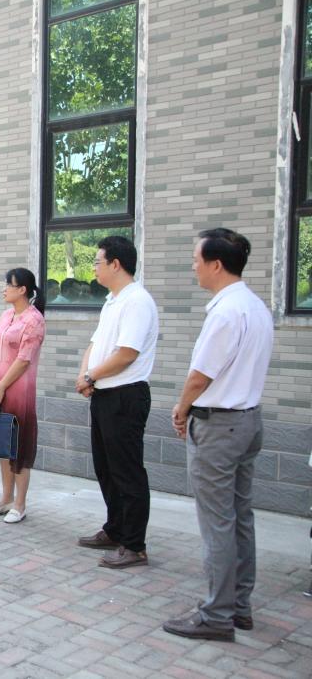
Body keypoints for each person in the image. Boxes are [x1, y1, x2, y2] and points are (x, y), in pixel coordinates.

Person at [162, 229, 274, 642]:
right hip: (247, 421)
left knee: (218, 522)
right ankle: (238, 605)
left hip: (220, 426)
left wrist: (182, 407)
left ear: (216, 264)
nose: (193, 266)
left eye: (196, 260)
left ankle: (217, 614)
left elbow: (200, 375)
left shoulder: (226, 312)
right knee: (240, 516)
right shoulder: (255, 306)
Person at [74, 236, 159, 569]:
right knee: (106, 468)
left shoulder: (137, 301)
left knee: (127, 472)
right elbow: (95, 344)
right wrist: (86, 375)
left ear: (115, 264)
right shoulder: (112, 300)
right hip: (104, 393)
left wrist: (91, 376)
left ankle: (134, 545)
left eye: (98, 262)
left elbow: (127, 354)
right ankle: (115, 529)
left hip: (125, 396)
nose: (94, 268)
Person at [0, 268, 46, 524]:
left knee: (20, 447)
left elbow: (23, 360)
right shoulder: (6, 315)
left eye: (9, 284)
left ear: (22, 290)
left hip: (18, 392)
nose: (4, 288)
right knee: (3, 445)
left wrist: (1, 386)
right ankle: (5, 499)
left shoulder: (34, 320)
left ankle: (20, 505)